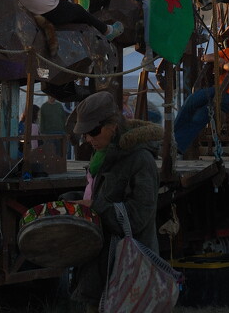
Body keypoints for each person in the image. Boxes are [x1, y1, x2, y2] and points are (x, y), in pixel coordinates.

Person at [68, 91, 163, 312]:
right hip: (99, 271)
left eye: (92, 132)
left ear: (112, 125)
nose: (88, 139)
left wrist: (96, 207)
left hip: (129, 275)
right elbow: (102, 196)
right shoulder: (102, 156)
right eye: (85, 134)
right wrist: (74, 201)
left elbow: (139, 217)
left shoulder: (141, 160)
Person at [174, 37, 229, 155]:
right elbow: (205, 57)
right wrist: (220, 60)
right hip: (218, 90)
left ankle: (179, 147)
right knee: (191, 101)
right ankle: (172, 138)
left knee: (201, 115)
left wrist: (222, 64)